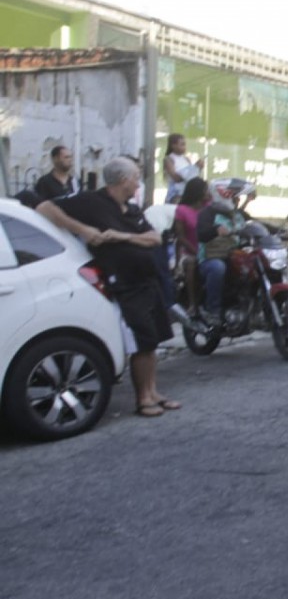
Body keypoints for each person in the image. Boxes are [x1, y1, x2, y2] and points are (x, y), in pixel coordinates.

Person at [35, 157, 180, 418]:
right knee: (142, 339)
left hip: (148, 281)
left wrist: (122, 236)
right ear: (123, 180)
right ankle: (143, 398)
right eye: (136, 177)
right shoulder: (91, 202)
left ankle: (153, 391)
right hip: (125, 284)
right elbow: (44, 207)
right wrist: (83, 229)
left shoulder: (131, 208)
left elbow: (154, 238)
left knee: (153, 341)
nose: (138, 182)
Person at [195, 180, 253, 327]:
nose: (237, 200)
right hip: (210, 257)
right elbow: (200, 234)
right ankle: (213, 311)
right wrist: (215, 230)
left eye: (237, 197)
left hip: (235, 256)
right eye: (234, 197)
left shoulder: (238, 214)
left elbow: (255, 225)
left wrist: (280, 231)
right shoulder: (207, 213)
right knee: (218, 268)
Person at [173, 178, 208, 315]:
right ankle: (192, 304)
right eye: (205, 190)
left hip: (208, 250)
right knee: (192, 263)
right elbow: (180, 238)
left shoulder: (208, 207)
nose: (208, 193)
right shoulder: (182, 210)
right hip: (188, 252)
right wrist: (197, 252)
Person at [163, 133, 204, 204]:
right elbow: (175, 178)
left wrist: (198, 168)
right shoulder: (169, 159)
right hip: (176, 194)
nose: (185, 147)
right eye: (182, 144)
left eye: (185, 144)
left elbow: (192, 176)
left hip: (186, 191)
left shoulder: (186, 159)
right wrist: (194, 168)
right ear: (173, 146)